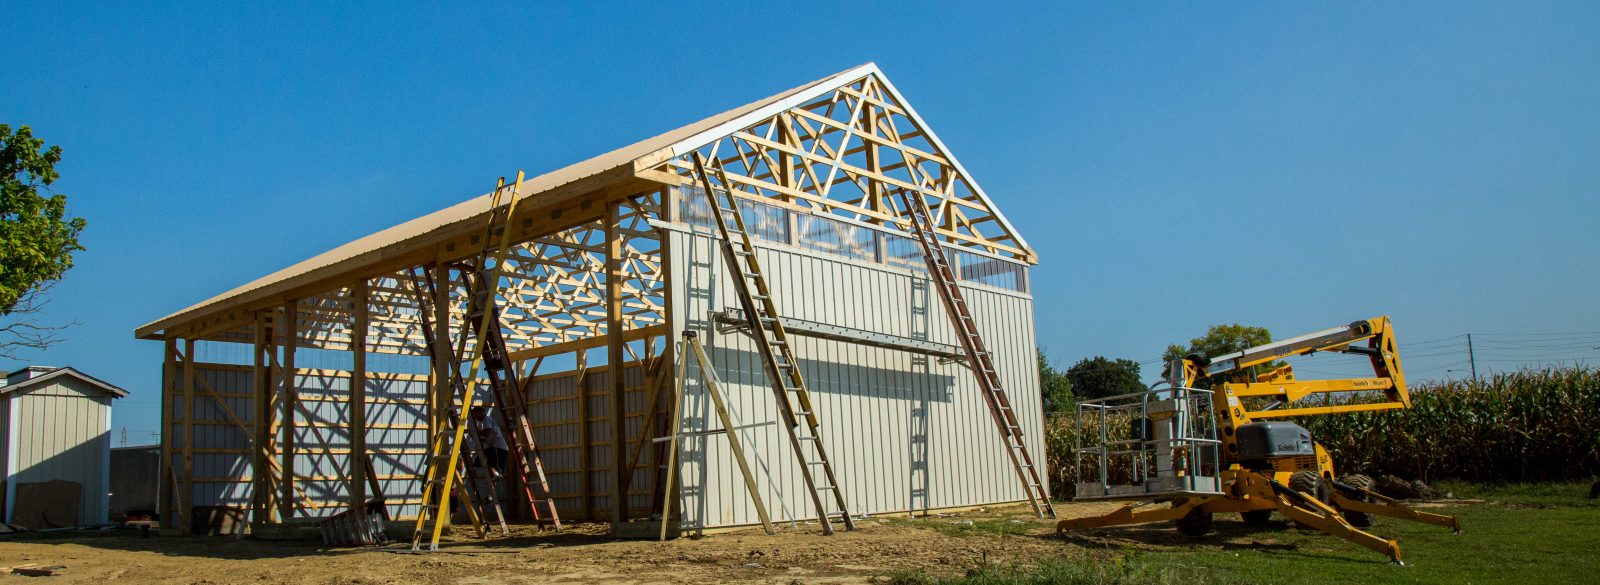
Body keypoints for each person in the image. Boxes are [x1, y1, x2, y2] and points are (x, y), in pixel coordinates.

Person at [469, 406, 509, 477]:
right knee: (496, 469)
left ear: (481, 412)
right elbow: (490, 437)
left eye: (475, 415)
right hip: (501, 448)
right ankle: (496, 474)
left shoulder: (486, 419)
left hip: (497, 448)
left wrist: (475, 432)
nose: (475, 417)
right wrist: (480, 439)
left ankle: (495, 473)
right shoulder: (489, 420)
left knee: (479, 461)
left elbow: (488, 432)